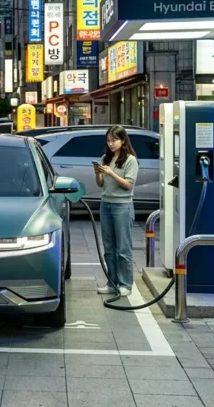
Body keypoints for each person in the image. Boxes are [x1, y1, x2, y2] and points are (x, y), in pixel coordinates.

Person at [95, 125, 139, 298]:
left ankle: (125, 283)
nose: (111, 144)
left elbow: (128, 185)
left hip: (122, 206)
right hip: (105, 204)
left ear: (123, 140)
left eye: (114, 140)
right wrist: (98, 173)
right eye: (108, 141)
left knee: (123, 247)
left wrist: (111, 173)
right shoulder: (106, 158)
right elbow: (101, 184)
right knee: (109, 247)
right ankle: (112, 282)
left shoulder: (130, 160)